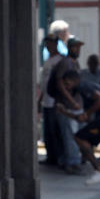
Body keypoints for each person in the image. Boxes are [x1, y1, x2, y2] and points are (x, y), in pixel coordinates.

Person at [61, 70, 100, 185]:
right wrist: (64, 112)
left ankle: (99, 170)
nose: (66, 87)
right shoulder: (86, 91)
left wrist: (87, 113)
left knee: (80, 137)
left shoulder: (83, 86)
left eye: (66, 84)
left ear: (74, 80)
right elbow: (83, 119)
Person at [47, 36, 85, 173]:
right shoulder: (66, 63)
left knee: (73, 133)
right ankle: (71, 162)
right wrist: (72, 101)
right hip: (66, 105)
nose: (78, 50)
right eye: (75, 47)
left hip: (72, 105)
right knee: (69, 134)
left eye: (79, 47)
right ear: (69, 48)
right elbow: (60, 83)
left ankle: (70, 160)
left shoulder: (74, 63)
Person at [38, 34, 65, 166]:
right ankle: (51, 157)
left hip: (55, 101)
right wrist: (40, 99)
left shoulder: (60, 60)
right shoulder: (48, 60)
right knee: (48, 131)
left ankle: (59, 157)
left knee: (56, 131)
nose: (49, 46)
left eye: (51, 43)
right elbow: (44, 83)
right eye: (47, 43)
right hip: (46, 101)